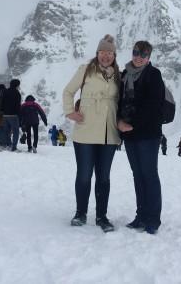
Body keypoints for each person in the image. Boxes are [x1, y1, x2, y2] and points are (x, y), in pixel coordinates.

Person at [63, 34, 120, 233]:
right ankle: (80, 213)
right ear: (97, 53)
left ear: (114, 55)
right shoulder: (86, 70)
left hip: (108, 133)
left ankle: (102, 216)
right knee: (85, 175)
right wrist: (71, 111)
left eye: (110, 53)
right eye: (102, 52)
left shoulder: (118, 74)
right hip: (86, 131)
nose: (106, 56)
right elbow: (68, 91)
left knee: (103, 177)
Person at [117, 40, 165, 235]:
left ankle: (153, 219)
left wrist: (131, 124)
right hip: (130, 135)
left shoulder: (154, 75)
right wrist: (119, 122)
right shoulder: (124, 75)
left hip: (148, 134)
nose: (138, 57)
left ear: (149, 58)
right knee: (138, 176)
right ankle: (141, 216)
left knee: (149, 175)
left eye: (143, 54)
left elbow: (153, 106)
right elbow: (119, 102)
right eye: (136, 52)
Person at [1, 79, 22, 151]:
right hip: (13, 115)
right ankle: (14, 147)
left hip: (5, 115)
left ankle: (8, 144)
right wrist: (19, 114)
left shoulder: (5, 91)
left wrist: (3, 111)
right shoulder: (17, 93)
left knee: (6, 131)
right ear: (17, 85)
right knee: (15, 131)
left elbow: (2, 102)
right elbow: (18, 106)